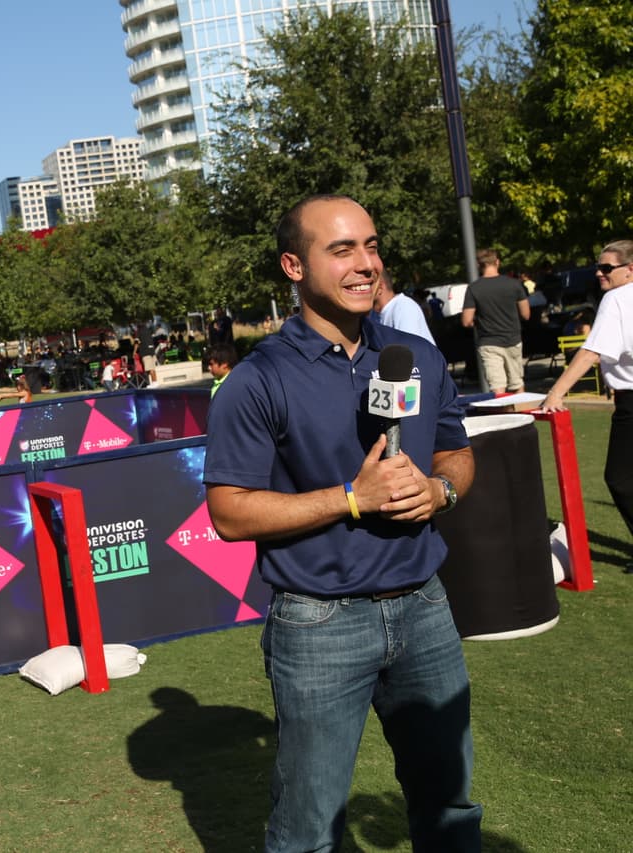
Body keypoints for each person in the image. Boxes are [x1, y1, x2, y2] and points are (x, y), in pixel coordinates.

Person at [203, 195, 479, 851]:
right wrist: (351, 497)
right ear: (293, 265)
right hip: (320, 622)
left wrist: (439, 490)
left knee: (450, 805)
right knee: (307, 828)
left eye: (372, 245)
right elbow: (228, 512)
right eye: (343, 249)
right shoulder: (256, 379)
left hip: (426, 609)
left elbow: (457, 452)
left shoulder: (413, 355)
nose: (366, 264)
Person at [542, 240, 633, 572]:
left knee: (621, 479)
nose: (599, 273)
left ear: (629, 270)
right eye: (599, 266)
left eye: (607, 268)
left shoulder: (617, 298)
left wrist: (556, 393)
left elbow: (592, 352)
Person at [461, 248, 531, 393]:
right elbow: (526, 314)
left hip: (489, 342)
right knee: (517, 383)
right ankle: (522, 413)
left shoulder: (474, 289)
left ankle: (502, 415)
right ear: (497, 262)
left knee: (497, 387)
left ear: (479, 265)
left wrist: (480, 321)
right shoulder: (514, 284)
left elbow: (466, 321)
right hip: (513, 339)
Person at [373, 269, 436, 345]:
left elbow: (410, 351)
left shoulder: (403, 307)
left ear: (380, 287)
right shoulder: (374, 315)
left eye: (365, 285)